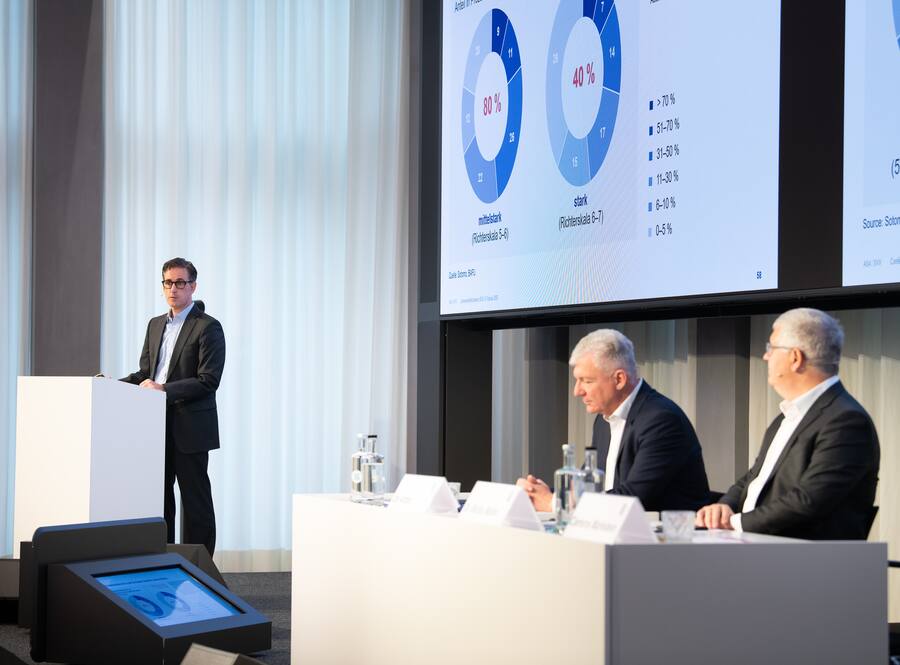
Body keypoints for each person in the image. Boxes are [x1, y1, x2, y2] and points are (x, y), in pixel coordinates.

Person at [696, 308, 879, 540]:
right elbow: (754, 477)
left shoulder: (846, 421)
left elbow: (809, 501)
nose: (765, 356)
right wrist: (724, 507)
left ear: (795, 358)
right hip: (761, 547)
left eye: (771, 348)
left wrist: (733, 523)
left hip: (807, 560)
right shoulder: (787, 416)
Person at [517, 329, 710, 512]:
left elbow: (633, 498)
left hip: (668, 540)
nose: (577, 391)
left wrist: (556, 503)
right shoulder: (604, 420)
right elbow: (591, 488)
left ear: (619, 379)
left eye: (587, 381)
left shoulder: (661, 420)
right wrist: (542, 493)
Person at [122, 257, 225, 555]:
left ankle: (199, 567)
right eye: (168, 282)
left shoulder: (207, 328)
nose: (173, 288)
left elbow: (208, 380)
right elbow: (145, 375)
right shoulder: (155, 325)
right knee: (159, 500)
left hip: (191, 427)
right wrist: (109, 384)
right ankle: (162, 561)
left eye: (180, 282)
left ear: (193, 286)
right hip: (155, 425)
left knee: (195, 502)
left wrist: (164, 389)